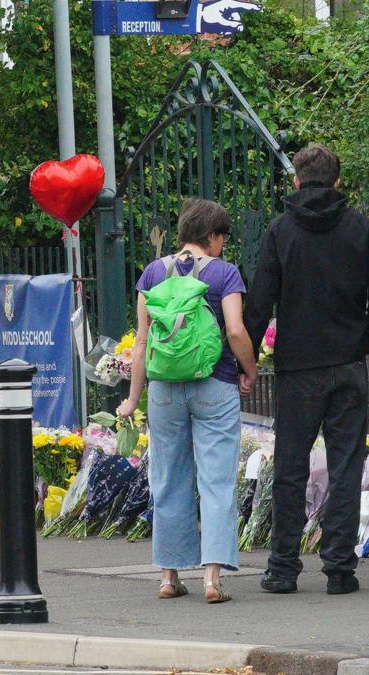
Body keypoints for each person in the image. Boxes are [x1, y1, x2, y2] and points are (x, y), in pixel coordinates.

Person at [244, 143, 369, 595]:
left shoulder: (281, 232)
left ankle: (283, 568)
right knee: (346, 465)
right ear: (337, 181)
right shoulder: (358, 227)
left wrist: (246, 360)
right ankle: (339, 569)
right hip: (348, 364)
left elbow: (259, 302)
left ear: (295, 180)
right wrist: (365, 337)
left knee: (291, 467)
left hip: (298, 369)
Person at [119, 198, 258, 604]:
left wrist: (132, 399)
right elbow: (235, 331)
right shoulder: (224, 274)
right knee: (215, 481)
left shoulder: (153, 273)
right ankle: (212, 579)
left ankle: (168, 576)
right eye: (222, 239)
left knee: (168, 480)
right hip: (214, 386)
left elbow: (142, 341)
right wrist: (248, 370)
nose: (223, 246)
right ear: (212, 237)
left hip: (163, 391)